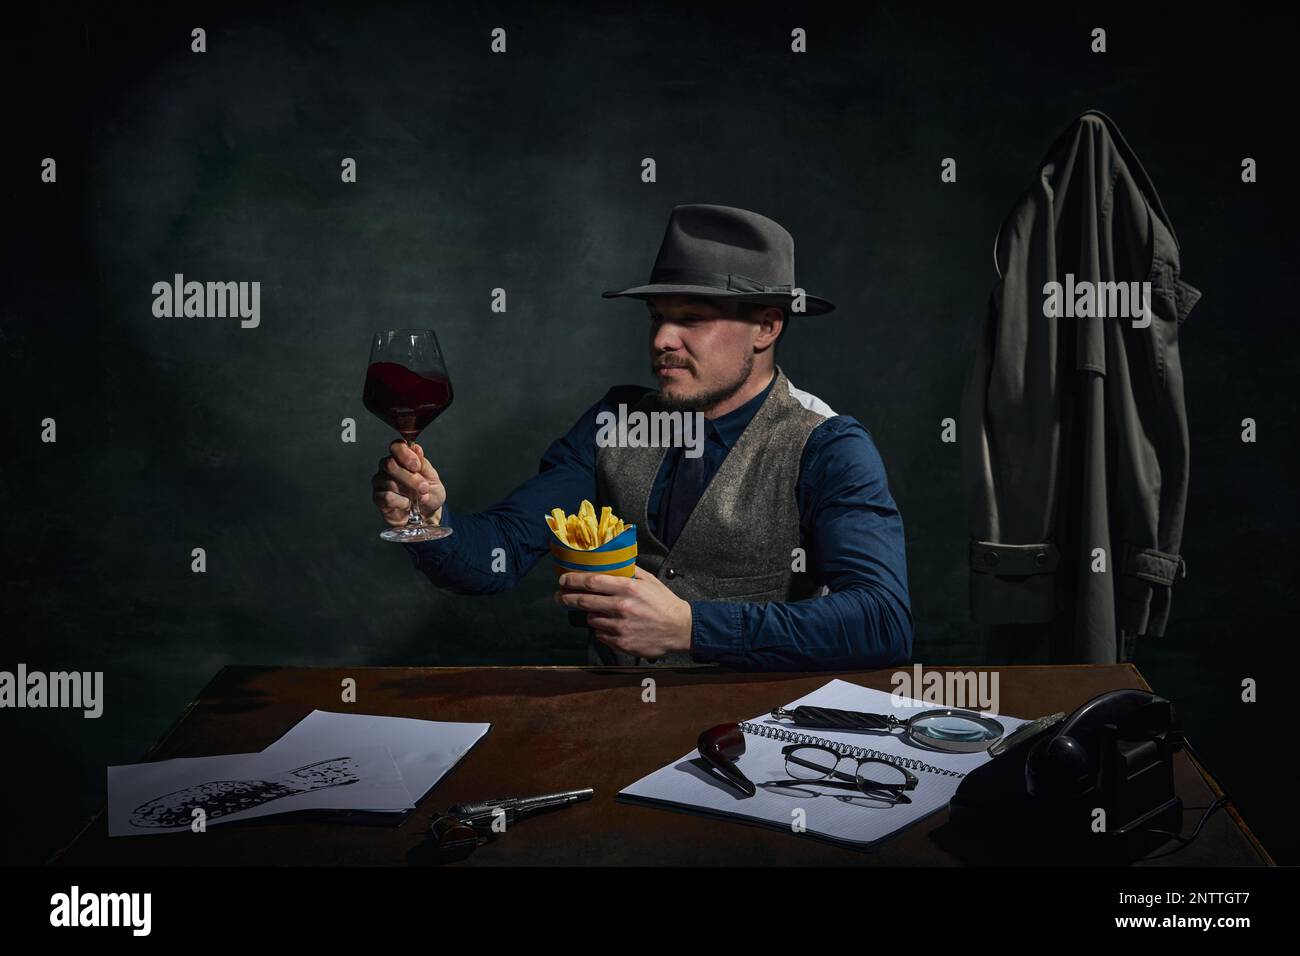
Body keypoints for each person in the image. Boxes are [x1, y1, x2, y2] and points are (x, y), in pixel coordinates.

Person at [371, 204, 912, 669]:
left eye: (691, 319)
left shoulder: (828, 446)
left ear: (768, 326)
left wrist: (693, 627)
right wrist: (432, 525)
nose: (662, 340)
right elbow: (500, 554)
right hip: (614, 715)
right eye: (656, 317)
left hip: (758, 731)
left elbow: (883, 622)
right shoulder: (615, 420)